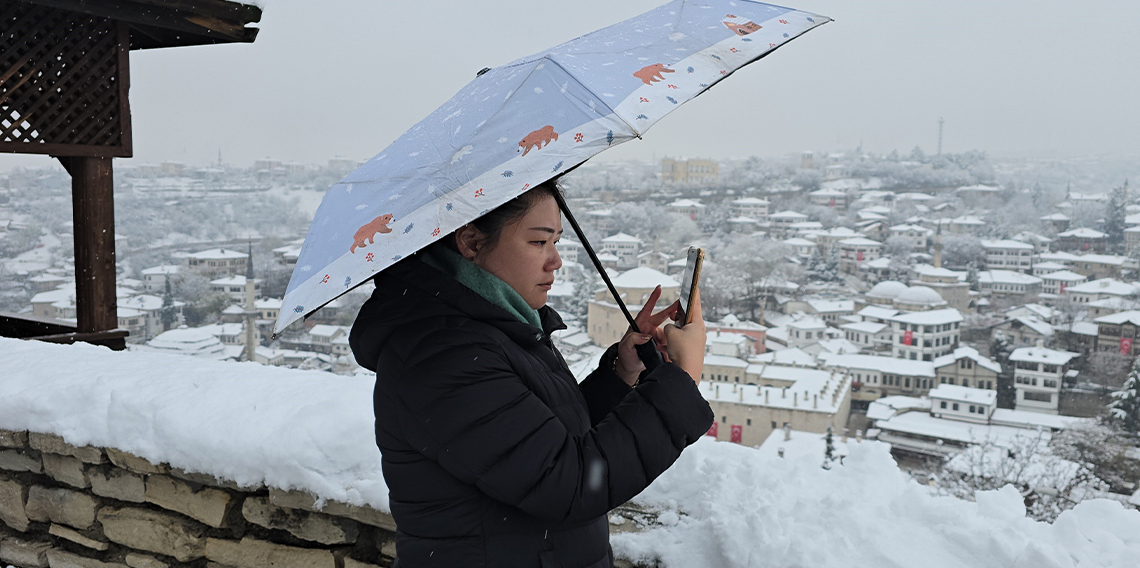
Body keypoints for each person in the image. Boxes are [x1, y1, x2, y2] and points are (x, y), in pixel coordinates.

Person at [350, 182, 713, 568]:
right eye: (539, 242)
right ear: (471, 242)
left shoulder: (495, 326)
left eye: (556, 241)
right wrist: (682, 381)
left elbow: (546, 438)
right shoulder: (442, 354)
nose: (555, 260)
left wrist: (623, 370)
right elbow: (568, 484)